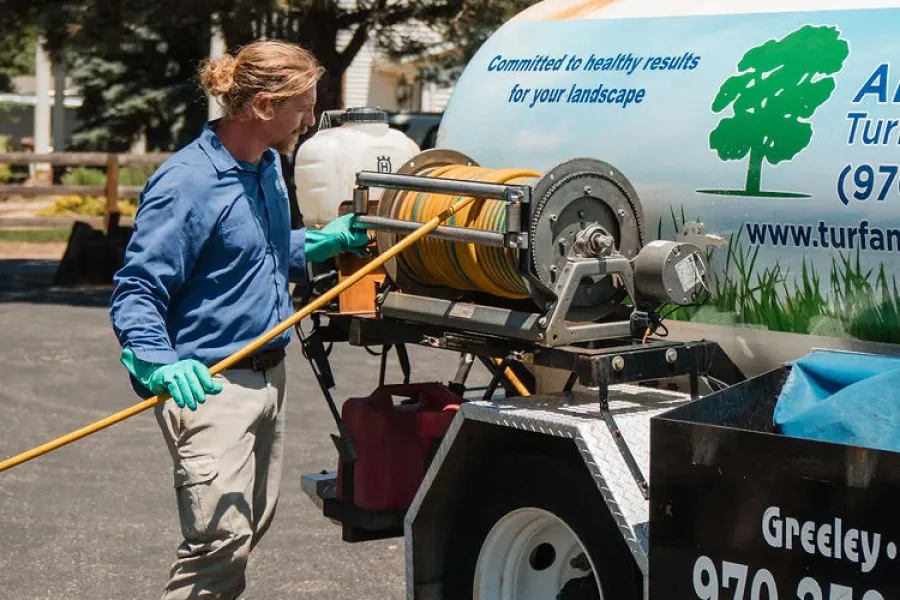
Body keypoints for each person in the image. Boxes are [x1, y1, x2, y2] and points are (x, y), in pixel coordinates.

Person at [108, 40, 369, 599]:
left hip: (270, 380)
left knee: (243, 536)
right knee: (218, 546)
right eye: (303, 106)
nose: (311, 119)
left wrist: (326, 242)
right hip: (209, 385)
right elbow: (137, 289)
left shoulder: (268, 166)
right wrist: (157, 365)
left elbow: (264, 255)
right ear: (265, 105)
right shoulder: (188, 183)